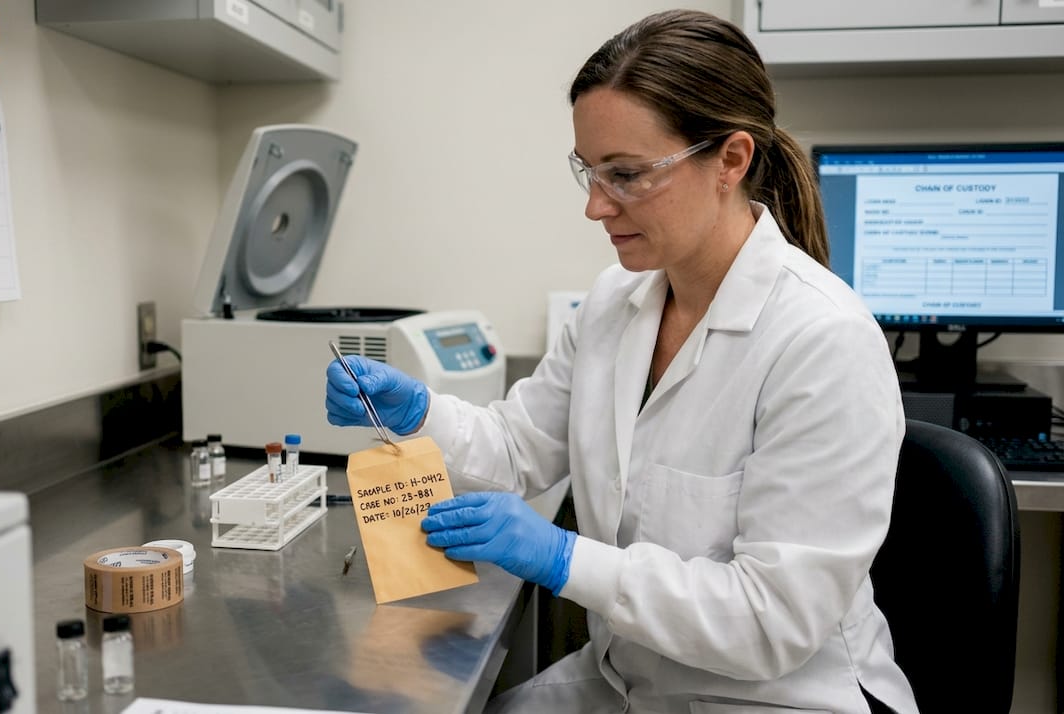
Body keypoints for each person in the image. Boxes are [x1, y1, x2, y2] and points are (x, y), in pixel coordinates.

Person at [325, 9, 917, 714]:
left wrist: (565, 559)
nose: (596, 206)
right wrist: (421, 413)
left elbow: (772, 621)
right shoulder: (614, 303)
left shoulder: (823, 340)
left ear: (731, 159)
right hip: (626, 679)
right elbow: (518, 449)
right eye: (591, 171)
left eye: (628, 175)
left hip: (778, 698)